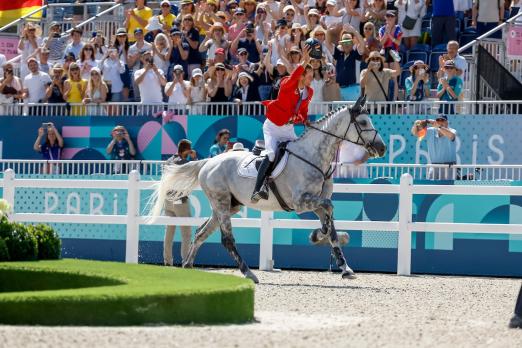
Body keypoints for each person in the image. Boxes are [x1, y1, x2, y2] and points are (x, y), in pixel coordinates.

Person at [251, 45, 313, 202]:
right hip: (272, 127)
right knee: (271, 154)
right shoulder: (286, 83)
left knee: (300, 153)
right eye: (309, 76)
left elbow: (303, 111)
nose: (311, 80)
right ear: (300, 76)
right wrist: (304, 60)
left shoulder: (309, 91)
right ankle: (258, 188)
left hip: (288, 129)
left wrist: (305, 121)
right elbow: (294, 76)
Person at [163, 139, 196, 266]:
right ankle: (186, 261)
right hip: (179, 200)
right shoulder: (184, 162)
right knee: (186, 233)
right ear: (186, 150)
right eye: (189, 149)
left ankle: (167, 260)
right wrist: (194, 158)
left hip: (168, 199)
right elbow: (194, 173)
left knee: (169, 232)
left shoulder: (168, 161)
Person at [411, 114, 457, 180]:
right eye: (438, 120)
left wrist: (439, 127)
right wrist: (417, 124)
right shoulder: (430, 131)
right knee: (431, 189)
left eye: (442, 120)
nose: (440, 122)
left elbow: (451, 136)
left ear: (447, 122)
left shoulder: (452, 130)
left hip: (448, 167)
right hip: (434, 166)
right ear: (435, 121)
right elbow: (416, 133)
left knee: (448, 189)